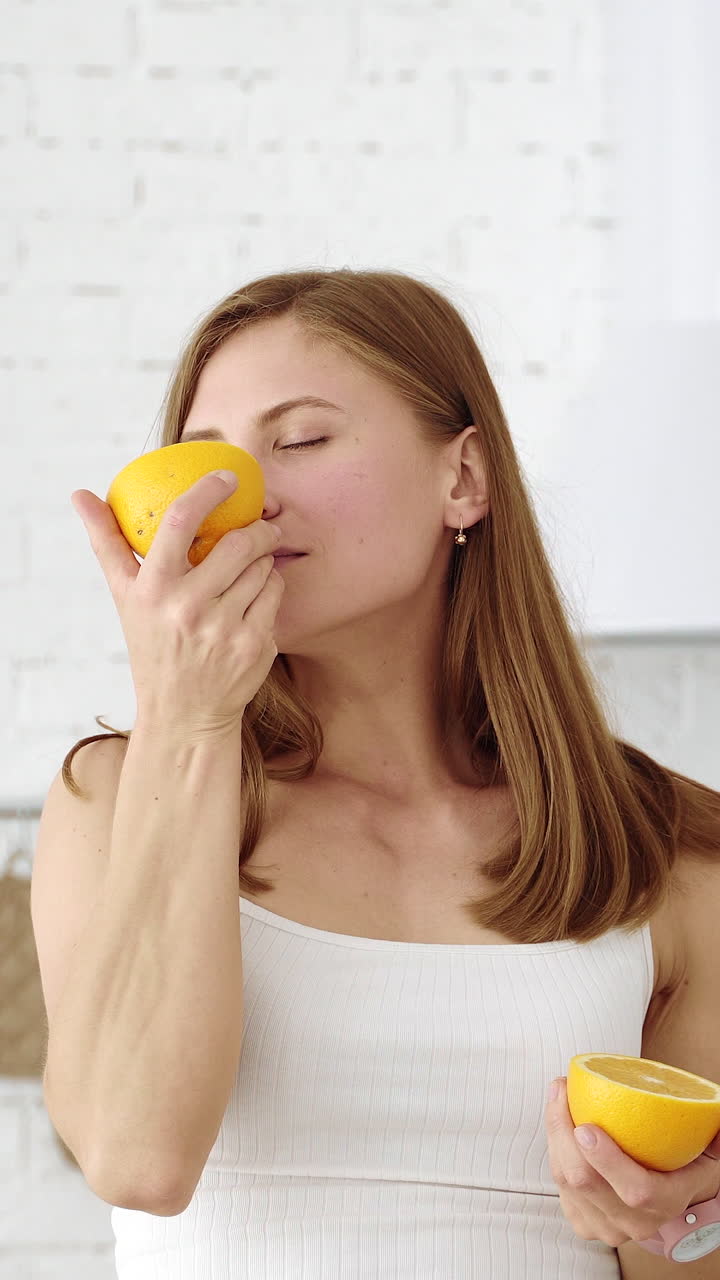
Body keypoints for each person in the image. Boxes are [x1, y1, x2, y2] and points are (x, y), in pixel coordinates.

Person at [32, 269, 720, 1279]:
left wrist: (684, 1219)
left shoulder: (663, 849)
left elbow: (679, 1260)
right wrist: (185, 711)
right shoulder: (116, 795)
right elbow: (138, 1159)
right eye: (204, 459)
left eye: (300, 438)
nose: (237, 494)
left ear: (465, 479)